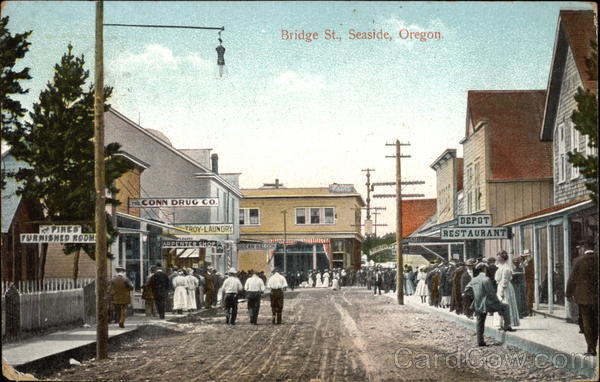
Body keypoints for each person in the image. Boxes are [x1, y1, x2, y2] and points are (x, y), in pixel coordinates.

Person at [465, 262, 515, 347]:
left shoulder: (473, 280)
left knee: (480, 321)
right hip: (488, 304)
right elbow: (492, 294)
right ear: (484, 269)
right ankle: (507, 326)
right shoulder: (486, 279)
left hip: (478, 304)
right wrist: (498, 303)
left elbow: (467, 290)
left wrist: (475, 296)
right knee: (505, 306)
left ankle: (480, 341)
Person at [566, 248, 598, 356]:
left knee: (586, 322)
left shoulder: (578, 261)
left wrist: (568, 293)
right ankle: (594, 344)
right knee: (595, 322)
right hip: (597, 297)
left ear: (584, 249)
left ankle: (591, 348)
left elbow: (572, 279)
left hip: (583, 298)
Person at [494, 251, 520, 328]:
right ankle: (501, 323)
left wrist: (501, 290)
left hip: (505, 288)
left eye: (499, 256)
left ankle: (508, 323)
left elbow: (505, 280)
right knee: (501, 304)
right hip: (500, 286)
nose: (497, 258)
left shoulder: (506, 268)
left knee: (505, 303)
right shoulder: (500, 266)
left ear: (502, 258)